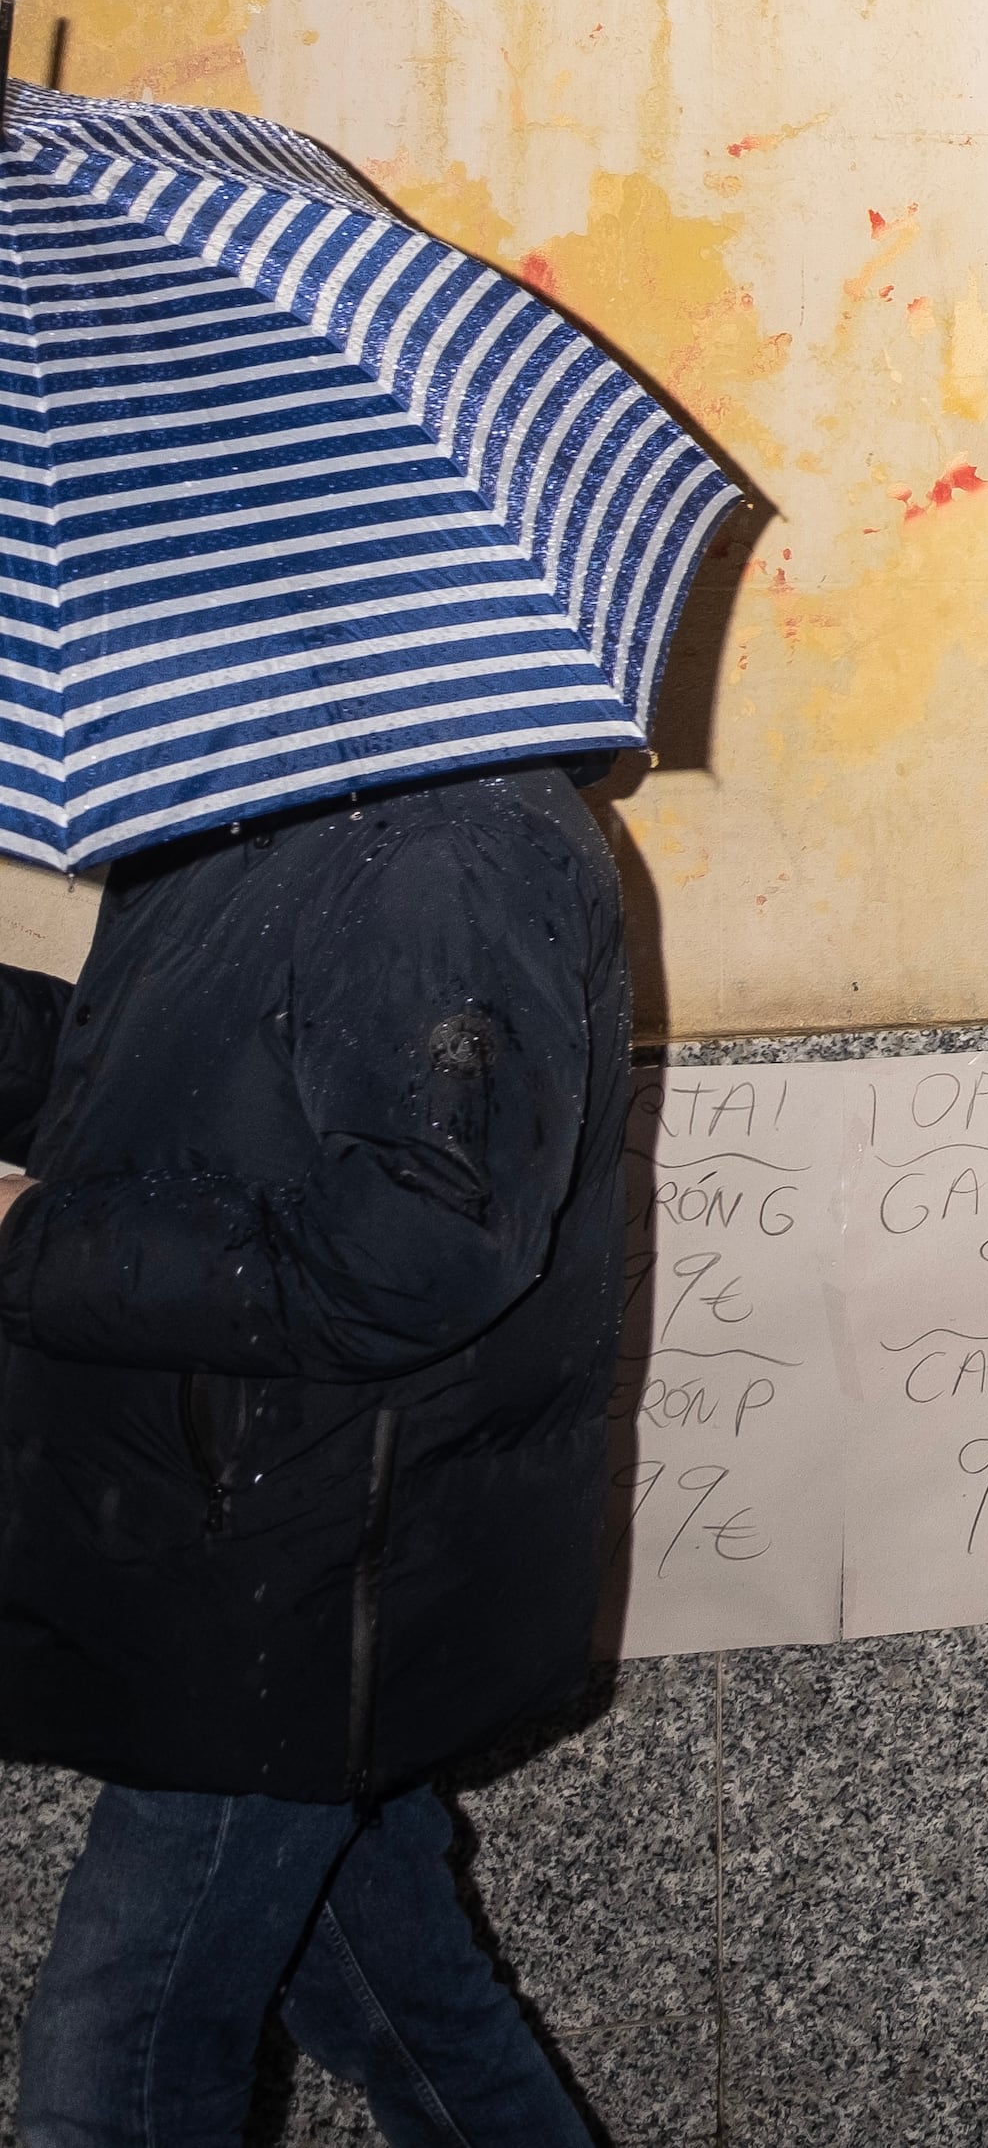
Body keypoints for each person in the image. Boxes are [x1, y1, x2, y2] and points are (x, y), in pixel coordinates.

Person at [0, 764, 632, 2148]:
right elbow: (157, 1089)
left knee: (110, 2076)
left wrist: (25, 1242)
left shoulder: (446, 852)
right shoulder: (276, 803)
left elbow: (419, 1252)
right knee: (410, 2014)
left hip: (308, 1566)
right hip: (241, 1541)